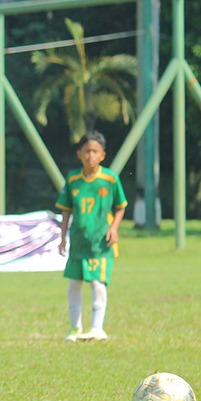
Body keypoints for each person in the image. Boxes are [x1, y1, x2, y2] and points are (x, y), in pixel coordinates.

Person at [56, 131, 127, 342]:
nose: (90, 156)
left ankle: (97, 328)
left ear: (103, 155)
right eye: (87, 151)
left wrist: (114, 228)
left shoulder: (110, 179)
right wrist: (63, 237)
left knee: (97, 283)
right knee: (74, 284)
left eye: (95, 151)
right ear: (79, 153)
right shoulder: (73, 179)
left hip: (101, 243)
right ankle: (75, 328)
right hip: (79, 242)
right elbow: (66, 210)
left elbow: (121, 206)